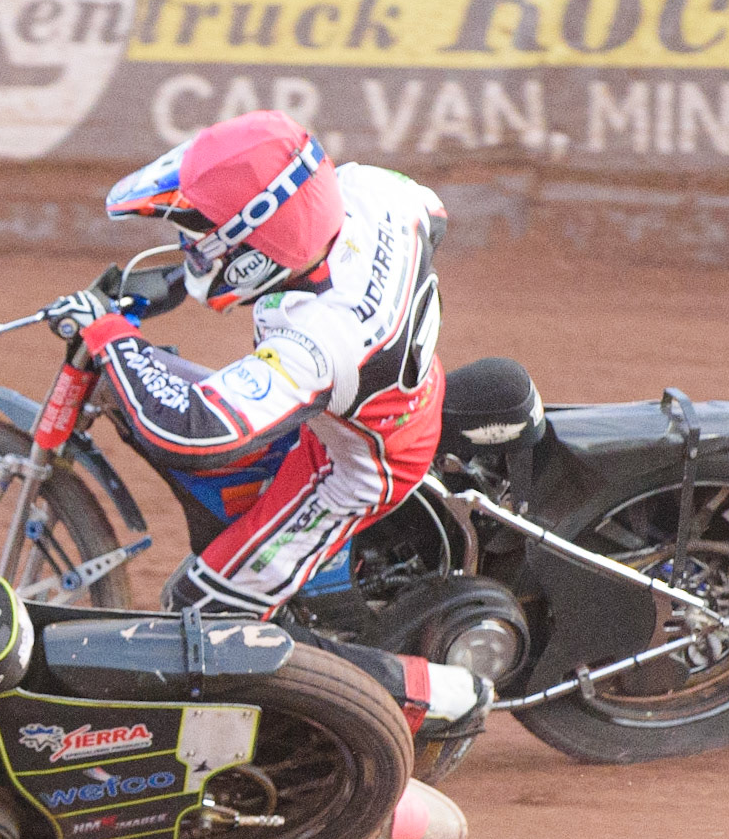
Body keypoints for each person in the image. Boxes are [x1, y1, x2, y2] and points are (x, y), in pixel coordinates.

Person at [43, 110, 490, 790]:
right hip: (378, 393)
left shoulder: (319, 339)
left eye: (202, 238)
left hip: (356, 465)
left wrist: (111, 338)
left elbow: (194, 433)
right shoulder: (365, 191)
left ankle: (441, 693)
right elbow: (431, 213)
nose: (192, 248)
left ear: (260, 241)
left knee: (204, 614)